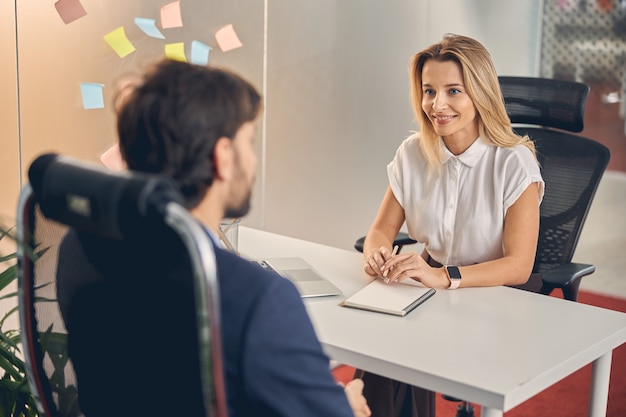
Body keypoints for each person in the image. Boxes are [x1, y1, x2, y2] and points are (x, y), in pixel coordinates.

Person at [57, 59, 370, 417]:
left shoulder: (79, 248)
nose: (252, 161)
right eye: (249, 143)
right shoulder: (256, 297)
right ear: (222, 157)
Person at [358, 34, 544, 417]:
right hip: (434, 286)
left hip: (498, 293)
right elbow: (380, 231)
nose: (437, 105)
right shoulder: (413, 152)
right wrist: (376, 253)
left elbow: (519, 265)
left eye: (453, 91)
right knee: (376, 356)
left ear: (479, 93)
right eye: (429, 91)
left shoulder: (514, 163)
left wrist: (443, 276)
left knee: (400, 349)